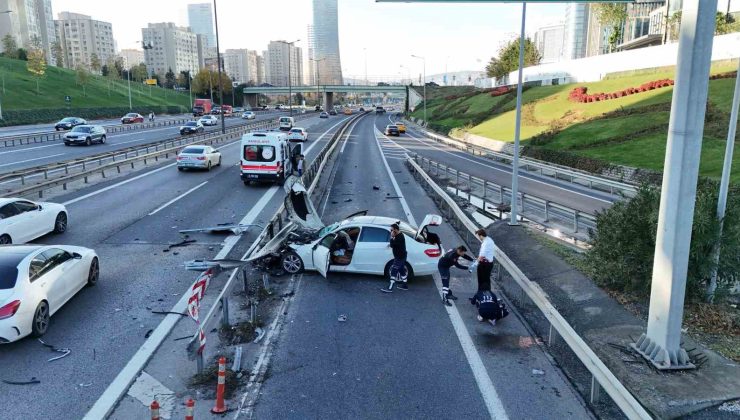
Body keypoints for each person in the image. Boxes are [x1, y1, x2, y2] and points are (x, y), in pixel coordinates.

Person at [381, 223, 408, 293]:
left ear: (396, 230)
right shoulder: (399, 236)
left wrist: (391, 237)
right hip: (401, 256)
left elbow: (392, 245)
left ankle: (390, 288)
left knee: (393, 271)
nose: (391, 231)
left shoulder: (399, 237)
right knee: (401, 270)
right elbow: (394, 244)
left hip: (399, 257)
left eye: (392, 230)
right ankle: (405, 285)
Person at [475, 228, 495, 293]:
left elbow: (482, 255)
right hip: (489, 263)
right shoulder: (490, 240)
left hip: (484, 264)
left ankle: (480, 294)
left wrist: (475, 263)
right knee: (487, 280)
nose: (479, 238)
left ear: (481, 235)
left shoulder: (485, 243)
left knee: (481, 280)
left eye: (478, 236)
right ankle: (488, 294)